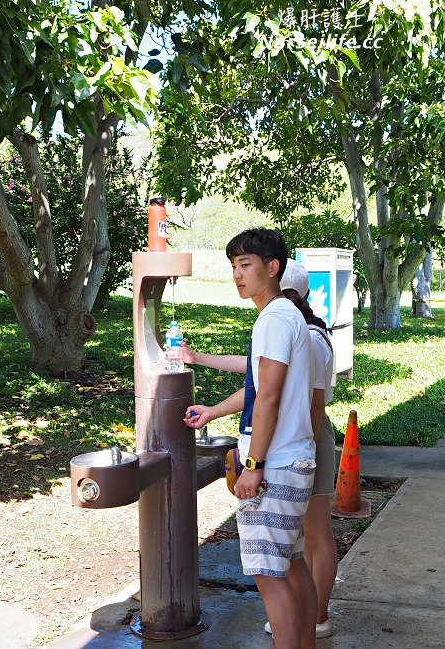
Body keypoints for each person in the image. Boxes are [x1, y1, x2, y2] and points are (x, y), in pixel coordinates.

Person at [182, 260, 338, 639]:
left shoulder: (279, 321)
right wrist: (203, 370)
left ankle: (315, 622)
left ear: (274, 274)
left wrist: (255, 463)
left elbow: (271, 397)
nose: (237, 274)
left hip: (283, 456)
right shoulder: (291, 322)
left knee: (272, 572)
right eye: (234, 265)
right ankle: (308, 629)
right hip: (291, 453)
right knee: (293, 561)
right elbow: (257, 378)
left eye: (244, 265)